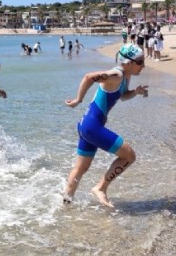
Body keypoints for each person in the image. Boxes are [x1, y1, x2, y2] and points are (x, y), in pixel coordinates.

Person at [63, 44, 148, 208]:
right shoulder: (116, 75)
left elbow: (122, 96)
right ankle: (100, 188)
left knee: (80, 169)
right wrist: (77, 100)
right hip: (92, 127)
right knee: (129, 156)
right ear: (128, 62)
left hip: (85, 125)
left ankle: (66, 203)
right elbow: (89, 77)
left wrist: (135, 92)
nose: (143, 65)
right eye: (140, 61)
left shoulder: (124, 76)